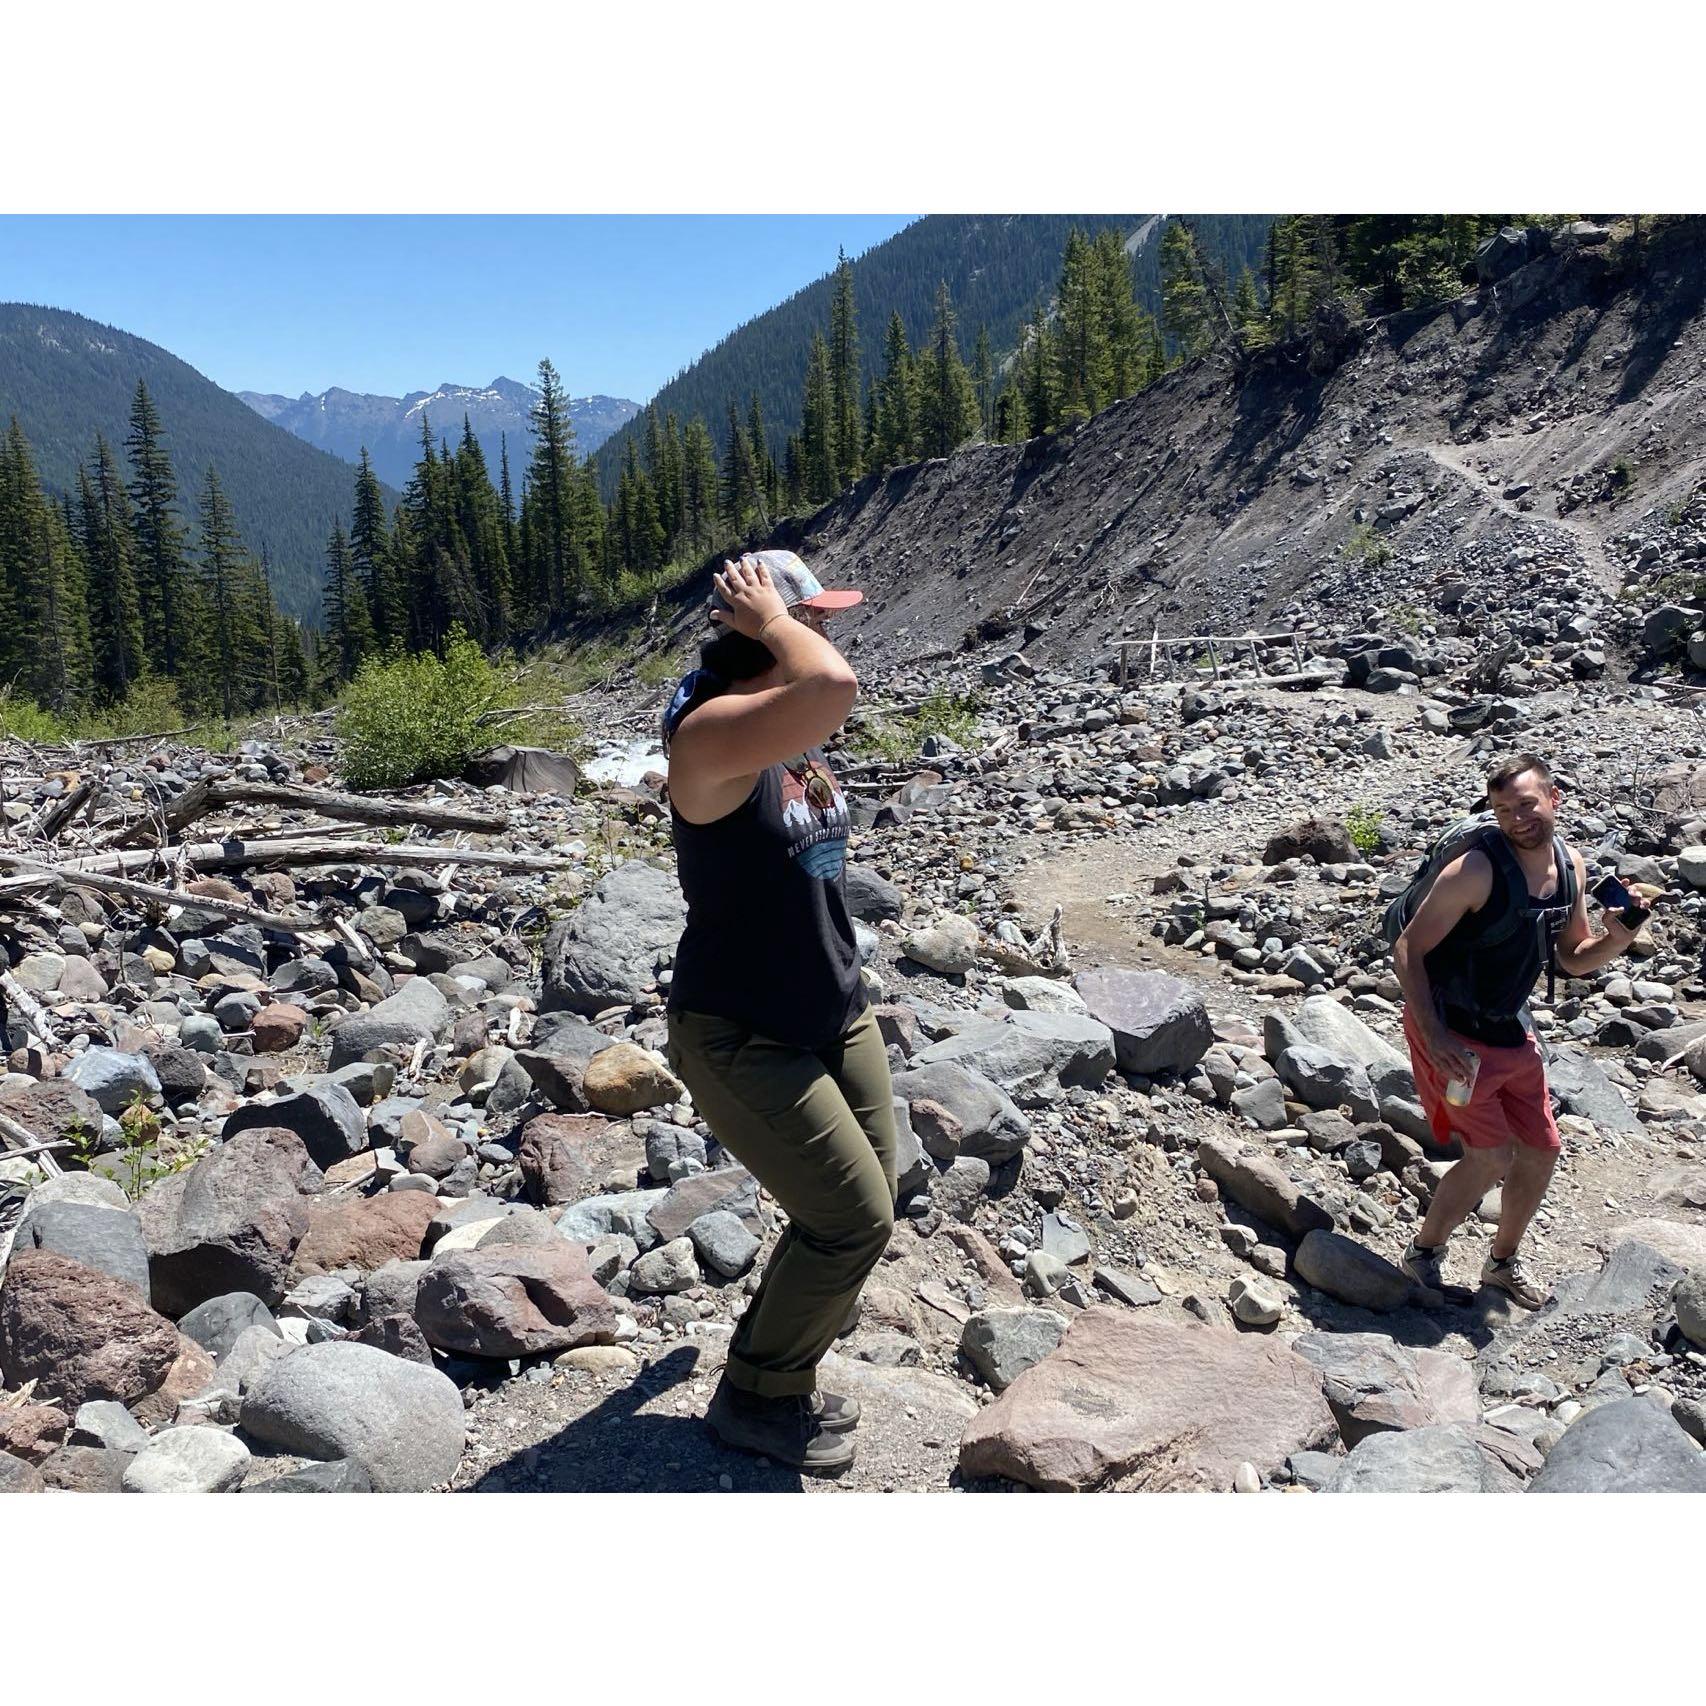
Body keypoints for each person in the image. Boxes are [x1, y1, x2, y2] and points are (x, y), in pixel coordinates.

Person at [660, 550, 895, 1475]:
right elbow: (832, 681)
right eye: (812, 614)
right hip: (741, 1026)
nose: (826, 629)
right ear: (759, 627)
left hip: (832, 1005)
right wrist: (767, 620)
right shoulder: (709, 736)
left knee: (865, 1202)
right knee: (851, 1221)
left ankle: (776, 1349)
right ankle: (760, 1393)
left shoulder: (777, 726)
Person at [1393, 753, 1645, 1308]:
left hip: (1509, 1026)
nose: (1515, 817)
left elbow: (1573, 957)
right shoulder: (1475, 870)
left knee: (1541, 1150)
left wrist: (1617, 940)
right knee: (1489, 1156)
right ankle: (1423, 1255)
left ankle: (1501, 1264)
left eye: (1526, 804)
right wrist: (1434, 1037)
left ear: (1554, 799)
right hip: (1452, 1031)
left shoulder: (1570, 866)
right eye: (1503, 808)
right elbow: (1408, 947)